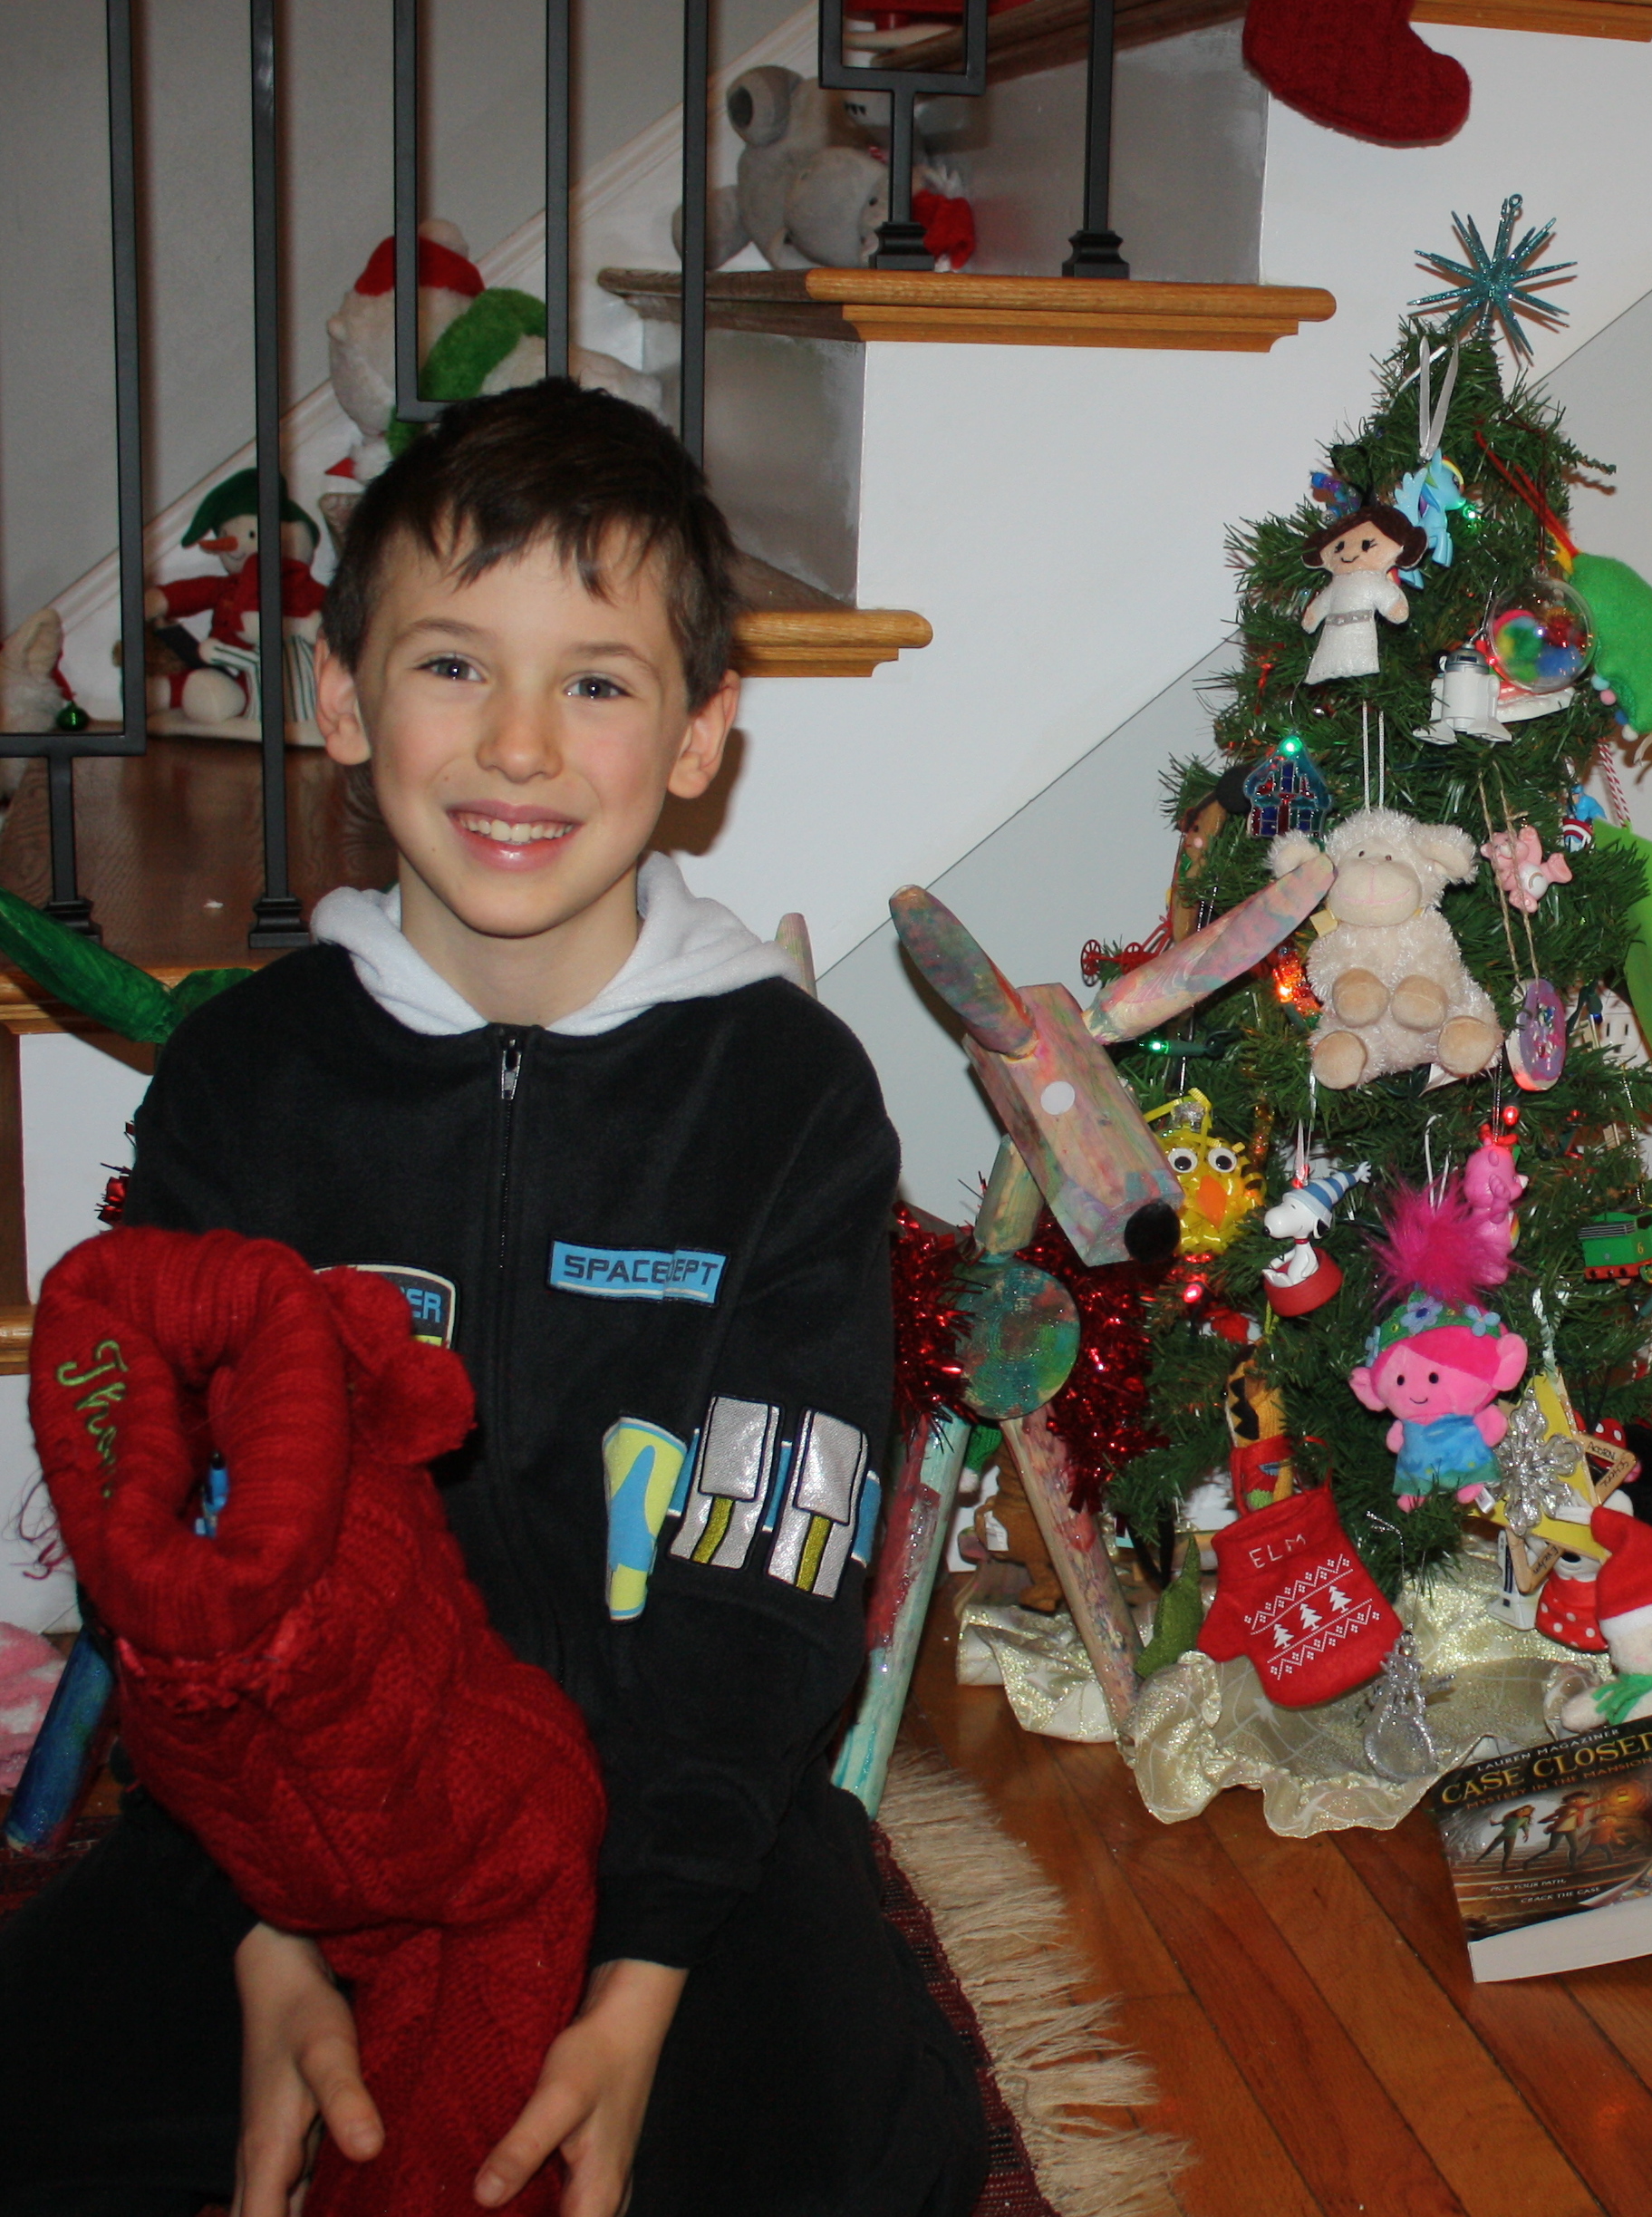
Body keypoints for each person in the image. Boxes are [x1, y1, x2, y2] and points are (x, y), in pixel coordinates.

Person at [0, 380, 987, 2217]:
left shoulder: (787, 1099)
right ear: (344, 700)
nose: (519, 745)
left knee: (869, 2161)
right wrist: (272, 1929)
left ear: (699, 734)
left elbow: (773, 1566)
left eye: (596, 682)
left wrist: (641, 1977)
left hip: (666, 1821)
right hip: (302, 1811)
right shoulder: (246, 1080)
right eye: (454, 666)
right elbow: (177, 1545)